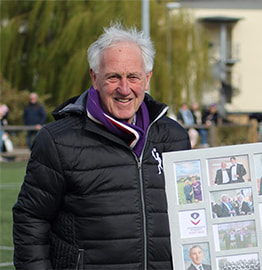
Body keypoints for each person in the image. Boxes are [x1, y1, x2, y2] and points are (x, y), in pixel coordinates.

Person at [12, 23, 191, 269]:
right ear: (94, 78)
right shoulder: (57, 141)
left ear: (147, 79)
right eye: (113, 77)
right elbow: (30, 220)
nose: (124, 89)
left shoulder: (174, 137)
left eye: (133, 77)